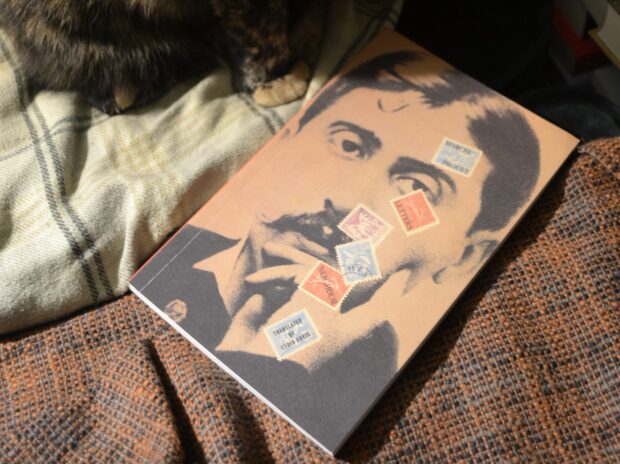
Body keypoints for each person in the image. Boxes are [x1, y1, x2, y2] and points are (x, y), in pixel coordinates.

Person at [133, 47, 541, 448]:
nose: (349, 200)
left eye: (417, 187)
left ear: (466, 255)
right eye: (349, 145)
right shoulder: (161, 249)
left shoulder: (376, 403)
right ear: (292, 134)